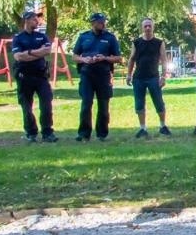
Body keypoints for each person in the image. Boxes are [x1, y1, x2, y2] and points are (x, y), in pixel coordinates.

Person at [10, 9, 58, 143]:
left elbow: (47, 51)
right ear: (27, 20)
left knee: (46, 104)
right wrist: (37, 52)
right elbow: (18, 56)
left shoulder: (42, 37)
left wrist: (29, 53)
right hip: (24, 76)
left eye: (37, 19)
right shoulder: (18, 38)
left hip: (41, 76)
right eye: (34, 19)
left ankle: (48, 132)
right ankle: (31, 132)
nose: (37, 21)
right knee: (26, 107)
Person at [73, 12, 123, 141]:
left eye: (104, 21)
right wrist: (84, 60)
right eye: (100, 22)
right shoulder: (83, 37)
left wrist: (104, 58)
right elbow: (75, 56)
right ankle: (84, 133)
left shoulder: (110, 38)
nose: (103, 24)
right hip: (87, 75)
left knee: (103, 105)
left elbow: (118, 58)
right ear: (93, 22)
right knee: (86, 103)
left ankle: (102, 134)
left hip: (103, 75)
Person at [126, 17, 171, 137]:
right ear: (142, 27)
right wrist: (129, 75)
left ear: (153, 27)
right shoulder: (136, 42)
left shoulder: (159, 43)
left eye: (149, 26)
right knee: (139, 104)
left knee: (159, 102)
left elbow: (164, 60)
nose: (147, 28)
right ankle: (142, 128)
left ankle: (162, 126)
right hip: (138, 78)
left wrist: (163, 76)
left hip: (153, 77)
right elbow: (131, 59)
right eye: (145, 26)